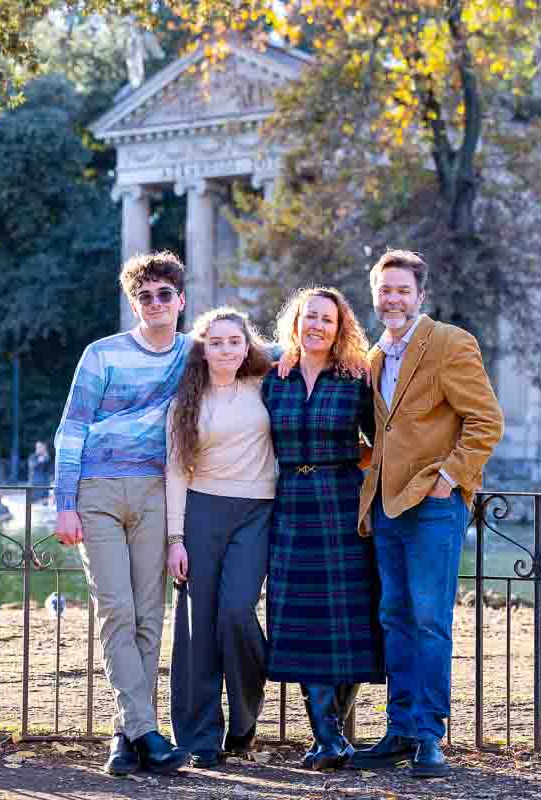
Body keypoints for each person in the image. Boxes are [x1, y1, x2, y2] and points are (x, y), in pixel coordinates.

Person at [350, 250, 504, 778]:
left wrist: (448, 480)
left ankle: (429, 734)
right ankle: (398, 728)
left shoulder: (448, 343)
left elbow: (484, 421)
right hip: (388, 507)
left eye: (402, 290)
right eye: (384, 290)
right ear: (375, 296)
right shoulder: (372, 357)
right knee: (394, 617)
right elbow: (383, 431)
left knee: (429, 620)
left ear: (419, 296)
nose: (392, 298)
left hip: (433, 508)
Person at [53, 251, 191, 776]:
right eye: (144, 296)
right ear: (135, 304)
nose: (154, 303)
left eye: (164, 294)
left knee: (149, 616)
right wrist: (65, 503)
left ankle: (125, 735)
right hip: (98, 492)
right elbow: (72, 429)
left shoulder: (192, 354)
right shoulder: (102, 354)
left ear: (179, 301)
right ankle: (148, 733)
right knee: (117, 611)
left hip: (157, 491)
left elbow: (247, 351)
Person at [261, 287, 383, 771]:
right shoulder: (273, 376)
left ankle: (330, 735)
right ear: (295, 321)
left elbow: (384, 440)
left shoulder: (356, 376)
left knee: (349, 619)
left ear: (340, 328)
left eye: (327, 320)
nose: (317, 325)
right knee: (302, 620)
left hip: (342, 502)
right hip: (291, 502)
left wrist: (359, 467)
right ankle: (329, 737)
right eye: (309, 316)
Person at [165, 308, 276, 768]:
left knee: (235, 612)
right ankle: (199, 738)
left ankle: (246, 717)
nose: (226, 349)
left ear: (247, 345)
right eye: (216, 342)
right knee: (197, 628)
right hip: (201, 511)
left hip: (257, 511)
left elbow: (306, 351)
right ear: (203, 348)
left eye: (235, 341)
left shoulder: (267, 384)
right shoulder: (186, 398)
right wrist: (175, 537)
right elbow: (174, 468)